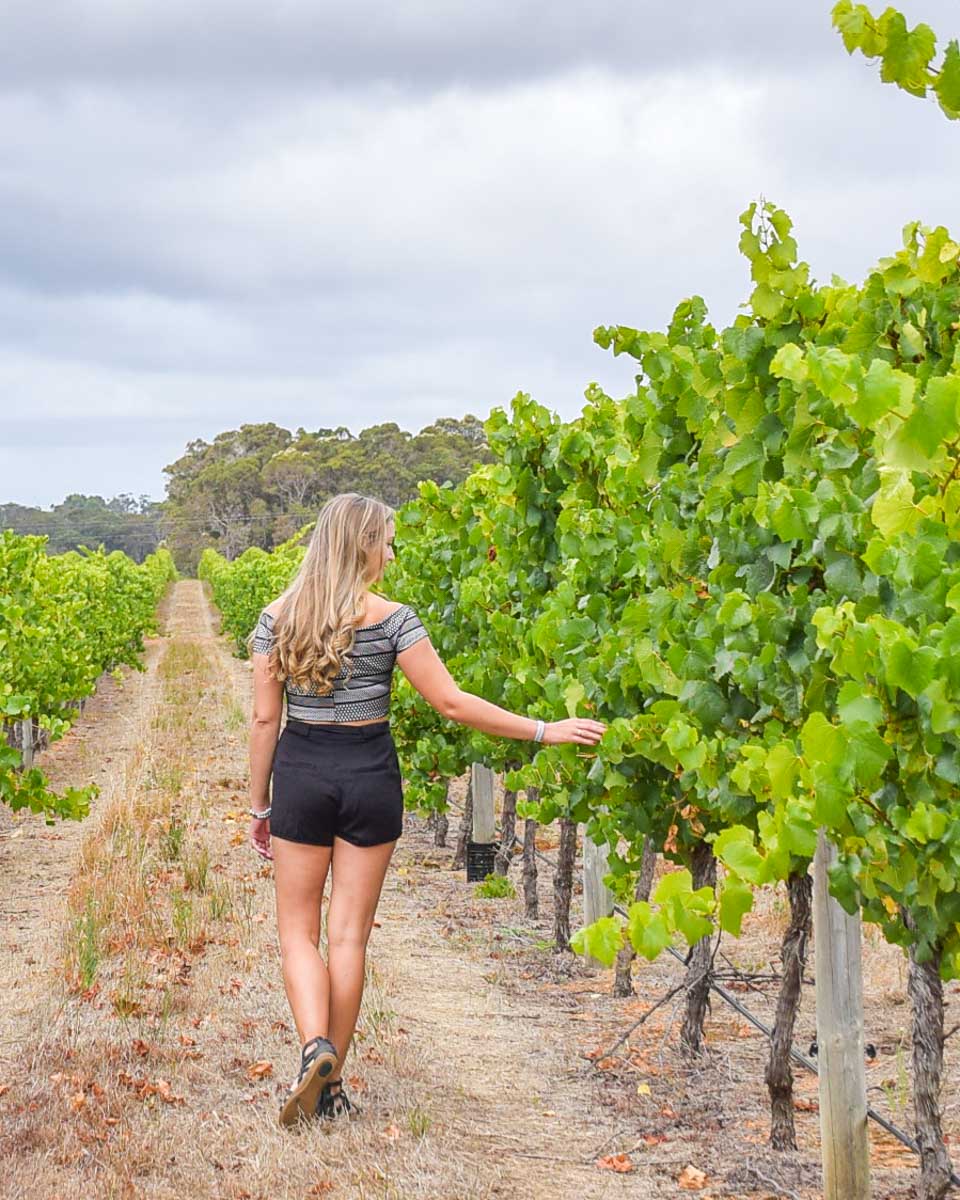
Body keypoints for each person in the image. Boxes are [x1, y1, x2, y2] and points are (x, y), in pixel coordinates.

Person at [246, 492, 605, 1127]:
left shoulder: (277, 620)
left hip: (302, 774)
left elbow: (264, 719)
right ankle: (331, 1086)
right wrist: (544, 730)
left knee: (297, 933)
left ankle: (313, 1048)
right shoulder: (393, 620)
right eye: (385, 542)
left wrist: (259, 804)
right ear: (362, 545)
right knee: (348, 935)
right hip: (369, 777)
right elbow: (452, 703)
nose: (390, 554)